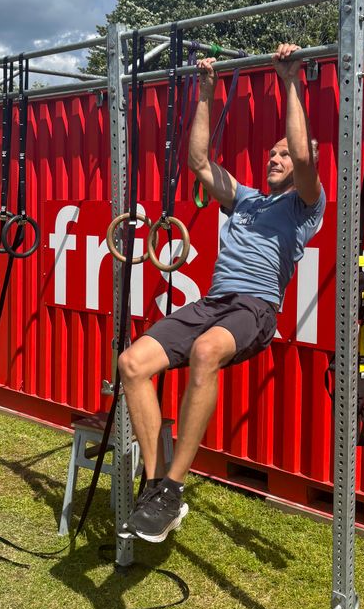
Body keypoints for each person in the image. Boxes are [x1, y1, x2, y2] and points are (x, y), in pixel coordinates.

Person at [117, 43, 325, 542]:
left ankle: (173, 487)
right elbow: (198, 162)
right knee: (131, 364)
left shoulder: (304, 205)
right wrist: (206, 92)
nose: (275, 158)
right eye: (270, 153)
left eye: (283, 154)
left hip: (255, 309)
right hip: (215, 302)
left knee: (207, 350)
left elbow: (302, 151)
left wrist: (290, 79)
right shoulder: (246, 201)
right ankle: (156, 486)